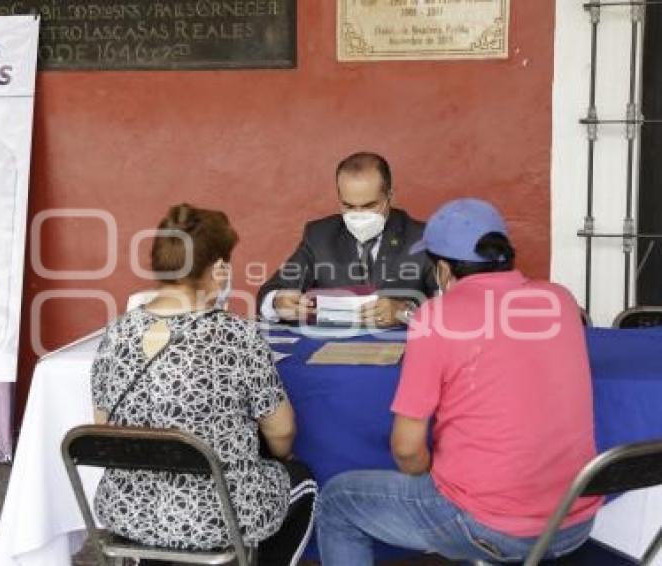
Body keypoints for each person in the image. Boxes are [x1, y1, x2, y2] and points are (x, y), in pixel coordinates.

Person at [316, 198, 601, 564]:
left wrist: (435, 482)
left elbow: (407, 449)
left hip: (489, 528)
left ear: (444, 269)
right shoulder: (560, 300)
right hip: (574, 522)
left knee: (339, 501)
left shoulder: (436, 317)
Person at [91, 203, 316, 566]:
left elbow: (103, 429)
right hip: (216, 521)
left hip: (128, 511)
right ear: (218, 269)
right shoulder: (237, 336)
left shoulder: (115, 333)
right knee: (301, 479)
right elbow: (281, 432)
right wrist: (281, 457)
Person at [257, 151, 437, 327]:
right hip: (331, 349)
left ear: (389, 196)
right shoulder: (319, 236)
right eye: (348, 206)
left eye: (369, 205)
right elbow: (270, 292)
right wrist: (278, 302)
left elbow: (454, 306)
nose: (358, 215)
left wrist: (405, 312)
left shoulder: (422, 238)